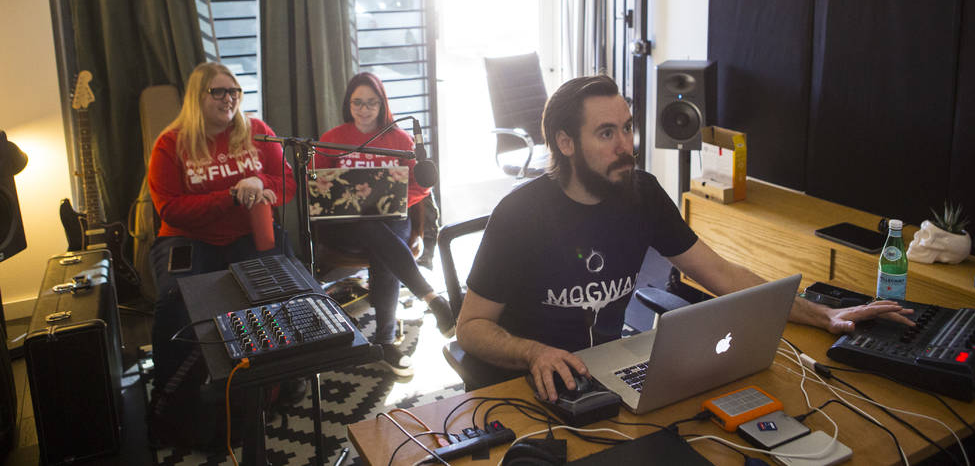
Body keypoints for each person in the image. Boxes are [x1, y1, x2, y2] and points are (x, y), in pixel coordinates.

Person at [458, 75, 914, 401]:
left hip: (605, 376)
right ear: (565, 143)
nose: (627, 145)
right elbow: (470, 328)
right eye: (606, 133)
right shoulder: (520, 215)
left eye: (628, 127)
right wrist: (535, 352)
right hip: (522, 385)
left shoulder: (642, 195)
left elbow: (719, 273)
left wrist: (824, 315)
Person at [147, 62, 296, 437]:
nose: (229, 99)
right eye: (219, 92)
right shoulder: (171, 143)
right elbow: (170, 208)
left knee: (277, 291)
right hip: (187, 238)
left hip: (247, 235)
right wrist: (229, 196)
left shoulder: (257, 132)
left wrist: (259, 182)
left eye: (234, 92)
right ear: (198, 96)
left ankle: (277, 384)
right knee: (174, 302)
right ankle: (173, 402)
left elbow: (287, 182)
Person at [314, 72, 455, 377]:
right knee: (371, 228)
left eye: (371, 103)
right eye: (357, 103)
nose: (364, 109)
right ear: (348, 104)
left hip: (392, 222)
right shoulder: (332, 139)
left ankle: (385, 342)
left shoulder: (400, 139)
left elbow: (422, 188)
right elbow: (318, 188)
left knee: (382, 244)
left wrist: (392, 195)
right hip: (344, 227)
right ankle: (429, 299)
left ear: (382, 104)